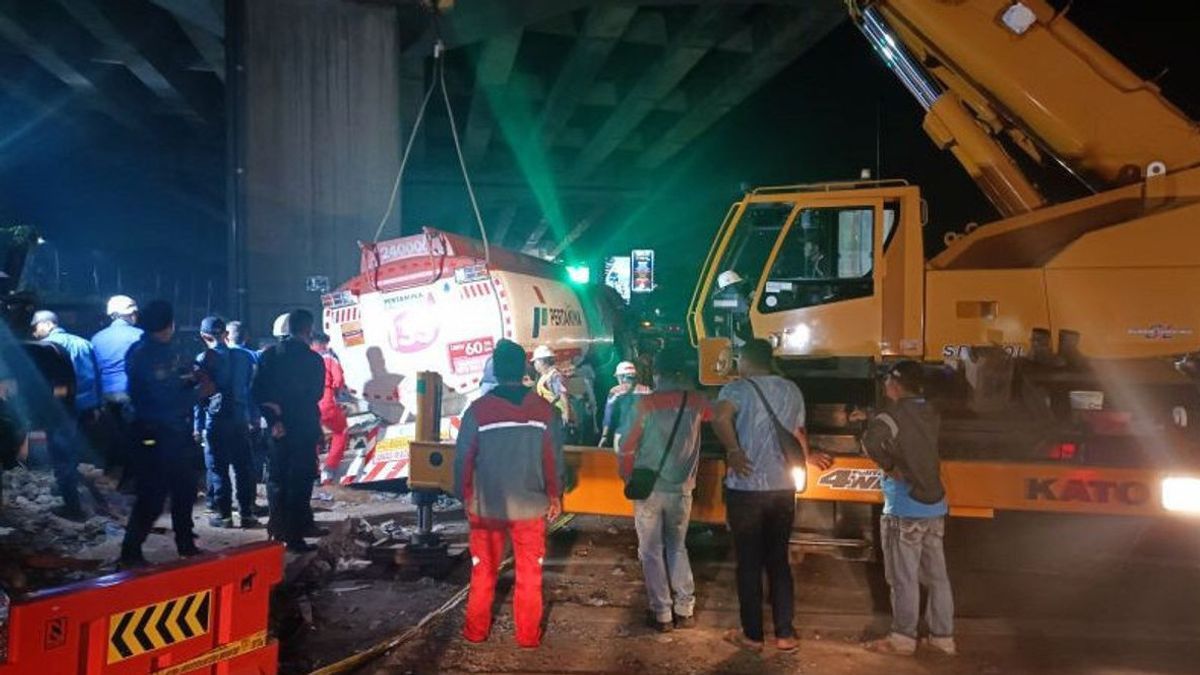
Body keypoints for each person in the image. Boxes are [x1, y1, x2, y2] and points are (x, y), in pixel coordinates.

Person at [711, 338, 831, 652]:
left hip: (747, 488)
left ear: (745, 360)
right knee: (778, 561)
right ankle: (785, 634)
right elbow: (798, 433)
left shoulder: (736, 389)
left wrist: (734, 449)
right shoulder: (791, 390)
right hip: (782, 488)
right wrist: (806, 459)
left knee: (749, 562)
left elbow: (720, 417)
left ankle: (752, 635)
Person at [453, 338, 564, 649]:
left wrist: (463, 495)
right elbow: (553, 459)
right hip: (531, 508)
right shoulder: (544, 411)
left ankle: (476, 632)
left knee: (483, 572)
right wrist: (555, 495)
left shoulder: (477, 411)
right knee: (530, 575)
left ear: (496, 371)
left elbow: (464, 459)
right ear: (525, 370)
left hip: (486, 507)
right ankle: (527, 637)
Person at [855, 361, 955, 656]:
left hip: (905, 507)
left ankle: (902, 638)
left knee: (903, 577)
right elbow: (909, 423)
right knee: (937, 577)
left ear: (895, 385)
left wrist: (889, 465)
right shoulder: (930, 411)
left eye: (887, 381)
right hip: (935, 505)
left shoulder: (891, 414)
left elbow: (871, 441)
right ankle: (943, 638)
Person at [618, 349, 711, 632]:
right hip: (682, 488)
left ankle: (662, 614)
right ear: (682, 373)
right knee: (677, 546)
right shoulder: (696, 401)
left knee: (650, 550)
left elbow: (626, 446)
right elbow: (714, 415)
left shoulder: (645, 404)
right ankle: (686, 607)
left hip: (649, 487)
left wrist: (627, 477)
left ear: (656, 373)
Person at [119, 300, 212, 567]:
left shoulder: (156, 350)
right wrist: (198, 393)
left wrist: (190, 380)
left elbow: (170, 384)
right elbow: (162, 400)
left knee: (184, 489)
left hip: (171, 433)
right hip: (155, 433)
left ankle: (185, 544)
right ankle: (130, 553)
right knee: (152, 495)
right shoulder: (148, 354)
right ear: (168, 325)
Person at [253, 309, 325, 552]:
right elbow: (316, 394)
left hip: (277, 427)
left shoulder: (269, 355)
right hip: (303, 426)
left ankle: (278, 529)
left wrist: (274, 418)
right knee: (300, 480)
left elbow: (257, 391)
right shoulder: (314, 360)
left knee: (277, 479)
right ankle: (294, 536)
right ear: (308, 329)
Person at [31, 310, 104, 520]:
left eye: (35, 328)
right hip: (87, 408)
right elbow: (97, 377)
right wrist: (97, 405)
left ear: (46, 324)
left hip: (63, 409)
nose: (35, 333)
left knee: (61, 457)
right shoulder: (84, 343)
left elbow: (48, 384)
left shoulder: (46, 348)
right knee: (76, 454)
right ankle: (82, 494)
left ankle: (73, 508)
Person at [194, 316, 258, 528]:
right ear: (225, 334)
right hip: (239, 419)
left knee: (218, 468)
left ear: (204, 336)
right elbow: (250, 387)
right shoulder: (245, 357)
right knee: (243, 467)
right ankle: (247, 514)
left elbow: (199, 395)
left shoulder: (203, 359)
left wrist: (197, 427)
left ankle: (224, 515)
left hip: (216, 421)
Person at [91, 295, 142, 476]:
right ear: (129, 314)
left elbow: (94, 372)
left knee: (112, 437)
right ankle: (132, 477)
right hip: (132, 394)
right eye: (134, 313)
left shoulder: (96, 338)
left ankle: (109, 473)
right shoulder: (140, 336)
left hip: (106, 395)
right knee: (135, 437)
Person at [312, 332, 349, 485]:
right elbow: (338, 379)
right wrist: (337, 391)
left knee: (313, 436)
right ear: (322, 343)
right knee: (341, 431)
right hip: (326, 400)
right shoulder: (329, 357)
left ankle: (313, 471)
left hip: (308, 402)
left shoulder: (305, 357)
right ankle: (330, 467)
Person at [600, 360, 652, 447]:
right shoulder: (647, 390)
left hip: (622, 435)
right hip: (644, 436)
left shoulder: (615, 391)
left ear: (621, 377)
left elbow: (608, 416)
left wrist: (604, 436)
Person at [532, 345, 571, 426]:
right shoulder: (545, 376)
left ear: (542, 362)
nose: (534, 364)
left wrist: (566, 413)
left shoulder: (553, 376)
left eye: (536, 361)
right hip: (550, 414)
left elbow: (562, 394)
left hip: (557, 415)